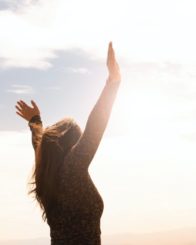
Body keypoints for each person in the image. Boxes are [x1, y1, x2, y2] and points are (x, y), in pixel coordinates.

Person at [15, 42, 121, 244]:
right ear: (71, 145)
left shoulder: (46, 178)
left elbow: (40, 146)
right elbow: (94, 130)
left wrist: (35, 122)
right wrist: (112, 83)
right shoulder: (72, 170)